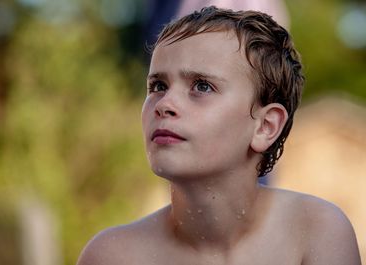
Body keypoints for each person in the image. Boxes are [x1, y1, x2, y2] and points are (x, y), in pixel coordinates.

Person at [77, 6, 361, 265]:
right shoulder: (112, 256)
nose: (164, 104)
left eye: (201, 86)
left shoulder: (316, 233)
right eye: (158, 86)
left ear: (265, 127)